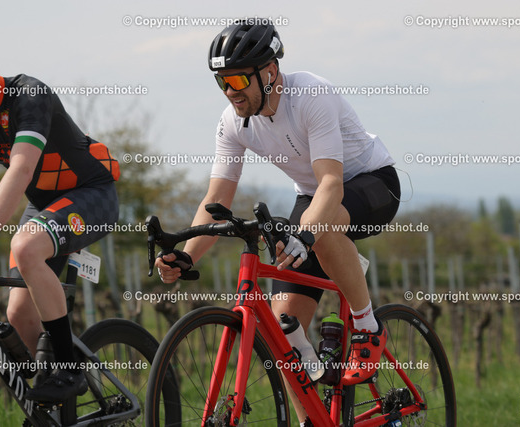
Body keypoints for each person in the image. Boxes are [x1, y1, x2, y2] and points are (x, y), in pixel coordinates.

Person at [155, 20, 400, 424]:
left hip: (370, 183)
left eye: (237, 79)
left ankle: (367, 327)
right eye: (222, 82)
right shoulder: (233, 122)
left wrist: (306, 233)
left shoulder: (310, 95)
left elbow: (331, 182)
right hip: (315, 196)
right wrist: (187, 256)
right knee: (283, 327)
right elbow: (216, 200)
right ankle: (311, 419)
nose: (230, 91)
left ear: (269, 72)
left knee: (320, 232)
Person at [0, 31, 120, 402]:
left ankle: (69, 370)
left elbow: (21, 169)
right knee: (19, 315)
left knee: (26, 246)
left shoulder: (29, 95)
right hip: (45, 208)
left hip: (90, 194)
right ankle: (51, 408)